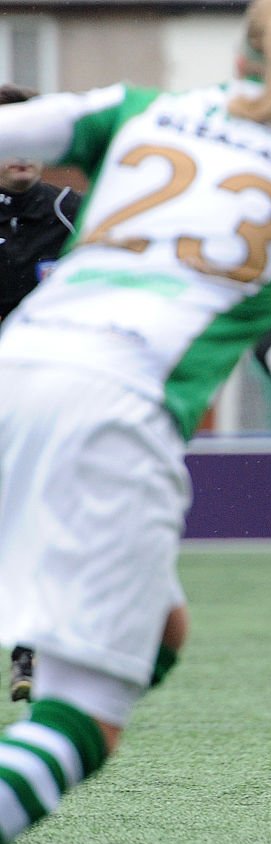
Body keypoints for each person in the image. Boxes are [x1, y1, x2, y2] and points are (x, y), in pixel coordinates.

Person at [0, 0, 271, 844]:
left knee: (163, 626)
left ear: (239, 56)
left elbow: (13, 130)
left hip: (16, 364)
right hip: (112, 408)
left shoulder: (143, 109)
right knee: (82, 723)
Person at [0, 84, 85, 702]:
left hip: (50, 397)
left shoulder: (73, 213)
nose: (23, 152)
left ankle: (30, 651)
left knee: (43, 521)